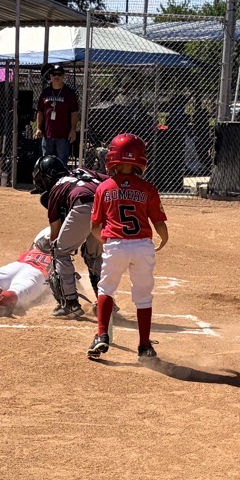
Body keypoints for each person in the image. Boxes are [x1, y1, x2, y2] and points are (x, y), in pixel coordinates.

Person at [87, 132, 168, 361]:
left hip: (115, 244)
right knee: (143, 296)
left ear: (111, 157)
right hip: (142, 246)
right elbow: (159, 223)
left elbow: (95, 225)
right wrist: (164, 239)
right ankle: (144, 347)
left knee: (106, 289)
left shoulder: (104, 188)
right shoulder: (148, 188)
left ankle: (102, 335)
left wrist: (106, 240)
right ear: (141, 160)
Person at [33, 153, 103, 321]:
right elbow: (111, 182)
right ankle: (106, 302)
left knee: (59, 252)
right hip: (108, 205)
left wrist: (55, 255)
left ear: (47, 177)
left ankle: (70, 304)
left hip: (83, 205)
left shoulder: (56, 188)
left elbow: (55, 233)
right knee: (93, 254)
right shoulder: (83, 171)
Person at [35, 64, 79, 164]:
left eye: (59, 74)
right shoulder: (45, 93)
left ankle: (61, 179)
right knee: (46, 160)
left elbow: (74, 113)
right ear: (50, 76)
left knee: (62, 160)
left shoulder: (69, 93)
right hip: (48, 134)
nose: (56, 77)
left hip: (63, 134)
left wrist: (73, 130)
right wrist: (38, 128)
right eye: (54, 74)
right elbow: (40, 111)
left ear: (63, 76)